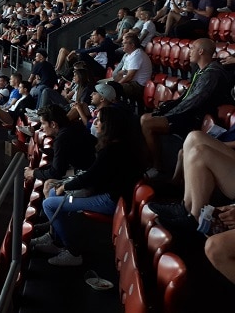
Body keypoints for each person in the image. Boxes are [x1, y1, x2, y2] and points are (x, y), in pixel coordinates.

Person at [30, 107, 144, 266]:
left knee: (49, 203)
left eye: (99, 120)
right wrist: (66, 186)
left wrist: (65, 186)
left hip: (110, 200)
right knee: (53, 193)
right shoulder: (118, 146)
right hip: (106, 192)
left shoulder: (112, 151)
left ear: (109, 125)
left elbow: (89, 177)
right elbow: (93, 175)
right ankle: (56, 241)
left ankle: (73, 252)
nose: (95, 122)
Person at [140, 38, 234, 173]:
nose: (189, 51)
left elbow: (194, 101)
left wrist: (169, 114)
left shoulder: (212, 73)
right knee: (145, 118)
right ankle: (149, 162)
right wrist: (167, 108)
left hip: (193, 117)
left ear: (201, 51)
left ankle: (157, 166)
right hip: (186, 113)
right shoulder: (200, 70)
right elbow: (186, 97)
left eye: (193, 48)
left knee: (147, 123)